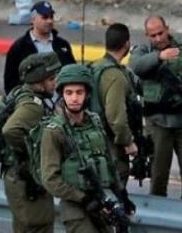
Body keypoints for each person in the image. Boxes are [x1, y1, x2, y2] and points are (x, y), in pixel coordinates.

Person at [41, 64, 135, 232]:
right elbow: (50, 179)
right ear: (62, 95)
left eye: (79, 92)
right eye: (69, 93)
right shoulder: (54, 131)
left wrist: (122, 194)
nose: (74, 98)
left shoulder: (95, 121)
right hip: (75, 207)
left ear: (87, 94)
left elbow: (108, 161)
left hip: (101, 201)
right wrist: (83, 199)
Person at [2, 52, 61, 233]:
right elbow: (10, 130)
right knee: (39, 226)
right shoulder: (33, 105)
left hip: (18, 176)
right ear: (39, 82)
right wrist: (33, 150)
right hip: (25, 177)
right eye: (51, 79)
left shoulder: (22, 93)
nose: (55, 82)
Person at [129, 15, 182, 198]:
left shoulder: (181, 49)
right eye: (153, 35)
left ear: (167, 29)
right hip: (158, 123)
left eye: (161, 33)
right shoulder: (143, 51)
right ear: (147, 35)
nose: (158, 38)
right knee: (159, 176)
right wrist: (159, 57)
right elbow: (136, 66)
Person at [92, 23, 138, 186]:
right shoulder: (116, 76)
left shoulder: (95, 67)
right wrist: (128, 142)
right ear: (126, 44)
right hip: (111, 146)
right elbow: (116, 117)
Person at [3, 1, 75, 94]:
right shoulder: (19, 47)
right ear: (33, 19)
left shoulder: (62, 45)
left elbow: (72, 73)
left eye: (51, 17)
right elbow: (10, 83)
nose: (49, 21)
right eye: (45, 17)